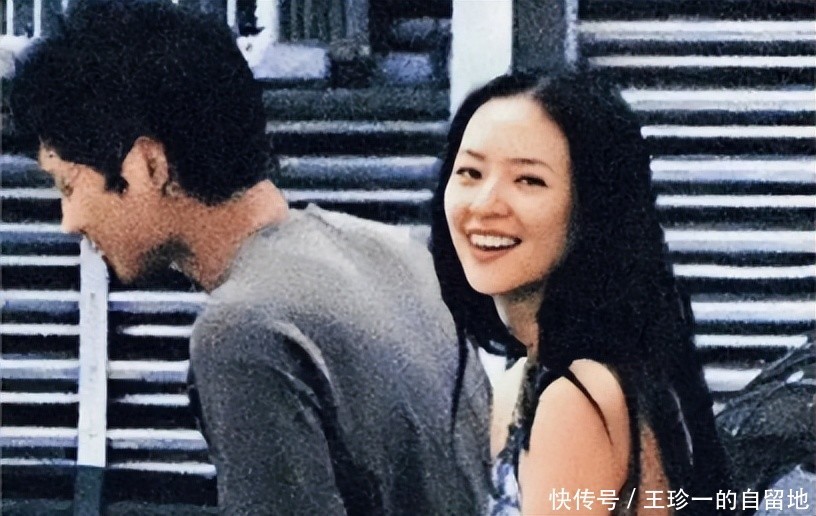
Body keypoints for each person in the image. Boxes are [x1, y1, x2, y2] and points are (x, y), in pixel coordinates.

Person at [11, 0, 491, 513]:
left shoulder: (244, 329)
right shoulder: (400, 253)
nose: (69, 222)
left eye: (68, 186)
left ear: (148, 165)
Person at [430, 72, 732, 515]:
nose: (485, 204)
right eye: (470, 173)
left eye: (528, 180)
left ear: (593, 209)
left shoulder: (574, 400)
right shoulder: (539, 378)